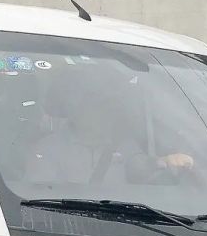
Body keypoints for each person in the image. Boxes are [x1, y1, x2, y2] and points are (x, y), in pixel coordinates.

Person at [26, 78, 194, 189]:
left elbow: (140, 167)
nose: (104, 113)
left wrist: (163, 162)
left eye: (107, 107)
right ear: (77, 112)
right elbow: (37, 198)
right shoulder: (48, 148)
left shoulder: (124, 145)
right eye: (95, 106)